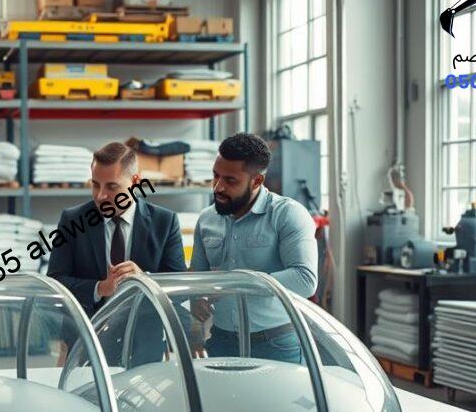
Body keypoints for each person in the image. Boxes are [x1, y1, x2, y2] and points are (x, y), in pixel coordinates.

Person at [47, 141, 186, 363]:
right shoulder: (73, 220)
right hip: (87, 341)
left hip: (143, 344)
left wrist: (144, 280)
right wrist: (99, 288)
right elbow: (55, 280)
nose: (100, 195)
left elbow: (180, 289)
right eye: (95, 185)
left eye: (111, 186)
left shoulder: (164, 222)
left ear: (135, 182)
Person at [189, 132, 318, 363]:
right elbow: (197, 279)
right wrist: (196, 306)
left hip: (276, 344)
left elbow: (305, 279)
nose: (218, 187)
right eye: (215, 176)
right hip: (221, 342)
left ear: (257, 181)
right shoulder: (206, 219)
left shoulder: (287, 214)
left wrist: (234, 284)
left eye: (230, 181)